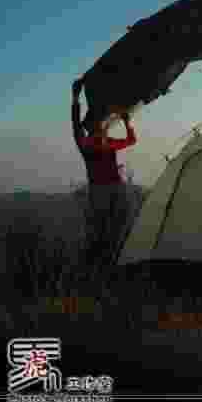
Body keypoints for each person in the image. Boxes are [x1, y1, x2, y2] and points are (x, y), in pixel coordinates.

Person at [71, 79, 138, 266]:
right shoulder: (90, 143)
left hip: (108, 189)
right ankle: (101, 261)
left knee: (110, 227)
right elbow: (76, 125)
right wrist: (75, 99)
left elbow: (131, 140)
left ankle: (108, 260)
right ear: (94, 126)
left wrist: (127, 122)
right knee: (104, 228)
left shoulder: (101, 142)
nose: (101, 126)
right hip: (104, 190)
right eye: (99, 124)